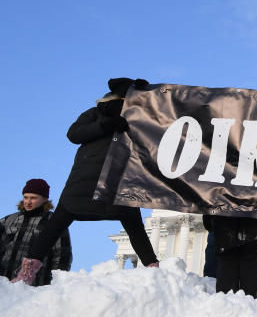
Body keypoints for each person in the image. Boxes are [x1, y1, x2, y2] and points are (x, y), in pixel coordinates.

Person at [12, 78, 159, 285]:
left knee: (59, 224)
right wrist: (108, 125)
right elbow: (74, 134)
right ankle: (154, 269)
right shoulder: (101, 114)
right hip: (100, 177)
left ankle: (27, 271)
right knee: (132, 225)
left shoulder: (126, 117)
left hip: (106, 177)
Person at [1, 179, 72, 285]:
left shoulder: (54, 223)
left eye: (33, 198)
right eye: (26, 197)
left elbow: (62, 256)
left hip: (35, 287)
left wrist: (57, 284)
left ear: (44, 199)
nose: (28, 202)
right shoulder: (8, 220)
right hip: (5, 284)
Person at [202, 215, 257, 303]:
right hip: (253, 220)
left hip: (225, 221)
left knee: (227, 265)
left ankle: (225, 303)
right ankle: (253, 303)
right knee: (250, 263)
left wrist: (210, 220)